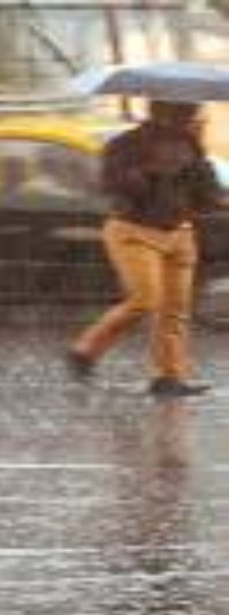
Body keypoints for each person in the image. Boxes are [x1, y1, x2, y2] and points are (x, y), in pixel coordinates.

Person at [66, 100, 224, 397]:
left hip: (180, 233)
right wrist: (160, 167)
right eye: (187, 113)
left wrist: (202, 169)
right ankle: (85, 350)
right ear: (163, 113)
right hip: (134, 231)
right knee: (145, 300)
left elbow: (207, 196)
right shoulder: (126, 145)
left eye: (194, 113)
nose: (193, 118)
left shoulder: (191, 145)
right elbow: (116, 186)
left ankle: (169, 377)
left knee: (175, 311)